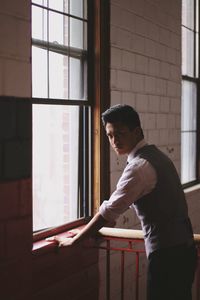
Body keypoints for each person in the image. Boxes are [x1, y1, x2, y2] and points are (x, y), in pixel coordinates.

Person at [48, 104, 197, 300]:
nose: (114, 140)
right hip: (184, 251)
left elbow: (109, 211)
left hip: (167, 256)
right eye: (110, 135)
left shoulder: (139, 167)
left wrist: (75, 240)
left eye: (120, 133)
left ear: (137, 131)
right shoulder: (157, 156)